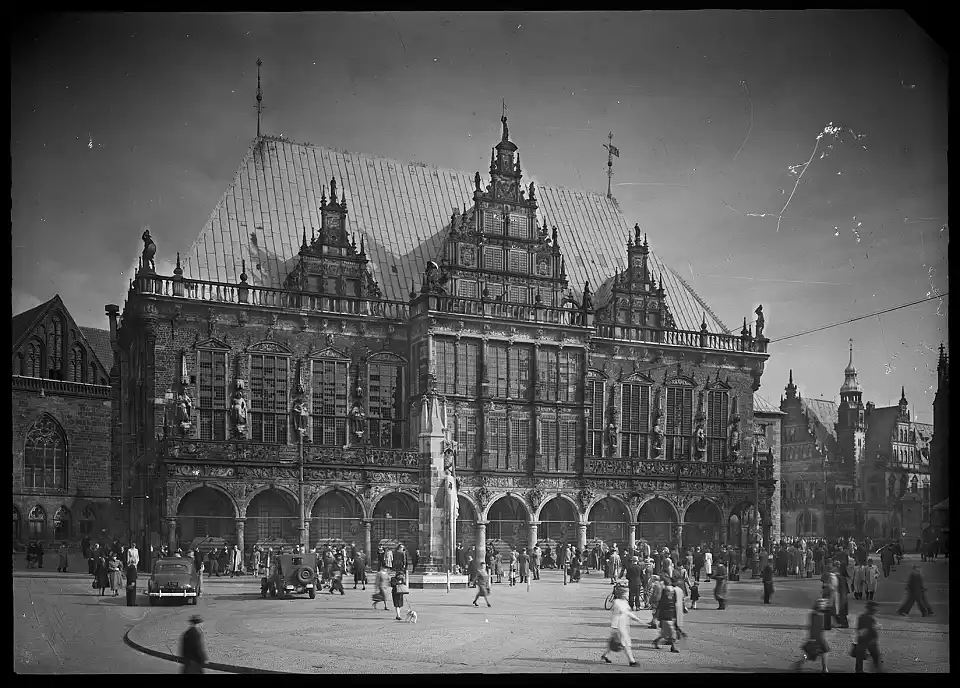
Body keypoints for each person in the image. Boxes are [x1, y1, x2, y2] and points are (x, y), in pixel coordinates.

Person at [600, 586, 642, 666]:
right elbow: (615, 616)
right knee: (625, 643)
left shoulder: (624, 602)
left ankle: (606, 655)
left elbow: (627, 612)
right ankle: (631, 661)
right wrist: (614, 627)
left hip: (624, 625)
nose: (627, 595)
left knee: (616, 642)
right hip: (619, 626)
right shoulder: (617, 603)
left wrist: (636, 619)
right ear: (622, 594)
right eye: (626, 593)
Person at [792, 599, 831, 673]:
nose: (822, 606)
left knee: (823, 652)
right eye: (821, 604)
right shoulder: (815, 615)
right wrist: (812, 639)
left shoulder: (820, 614)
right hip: (816, 638)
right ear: (817, 605)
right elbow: (813, 628)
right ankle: (800, 663)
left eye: (823, 604)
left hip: (819, 637)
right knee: (812, 655)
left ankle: (824, 668)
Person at [853, 600, 883, 673]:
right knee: (875, 656)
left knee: (860, 658)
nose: (876, 611)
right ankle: (876, 669)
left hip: (863, 640)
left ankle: (859, 670)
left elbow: (858, 630)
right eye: (875, 609)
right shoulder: (869, 618)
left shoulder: (862, 617)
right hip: (869, 641)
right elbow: (868, 630)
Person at [653, 578, 680, 652]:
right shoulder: (663, 600)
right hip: (665, 617)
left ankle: (657, 641)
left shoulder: (672, 597)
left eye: (671, 591)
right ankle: (673, 647)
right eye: (669, 591)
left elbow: (674, 607)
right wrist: (657, 618)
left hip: (671, 617)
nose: (671, 592)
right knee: (670, 633)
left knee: (666, 634)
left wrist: (675, 617)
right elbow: (659, 608)